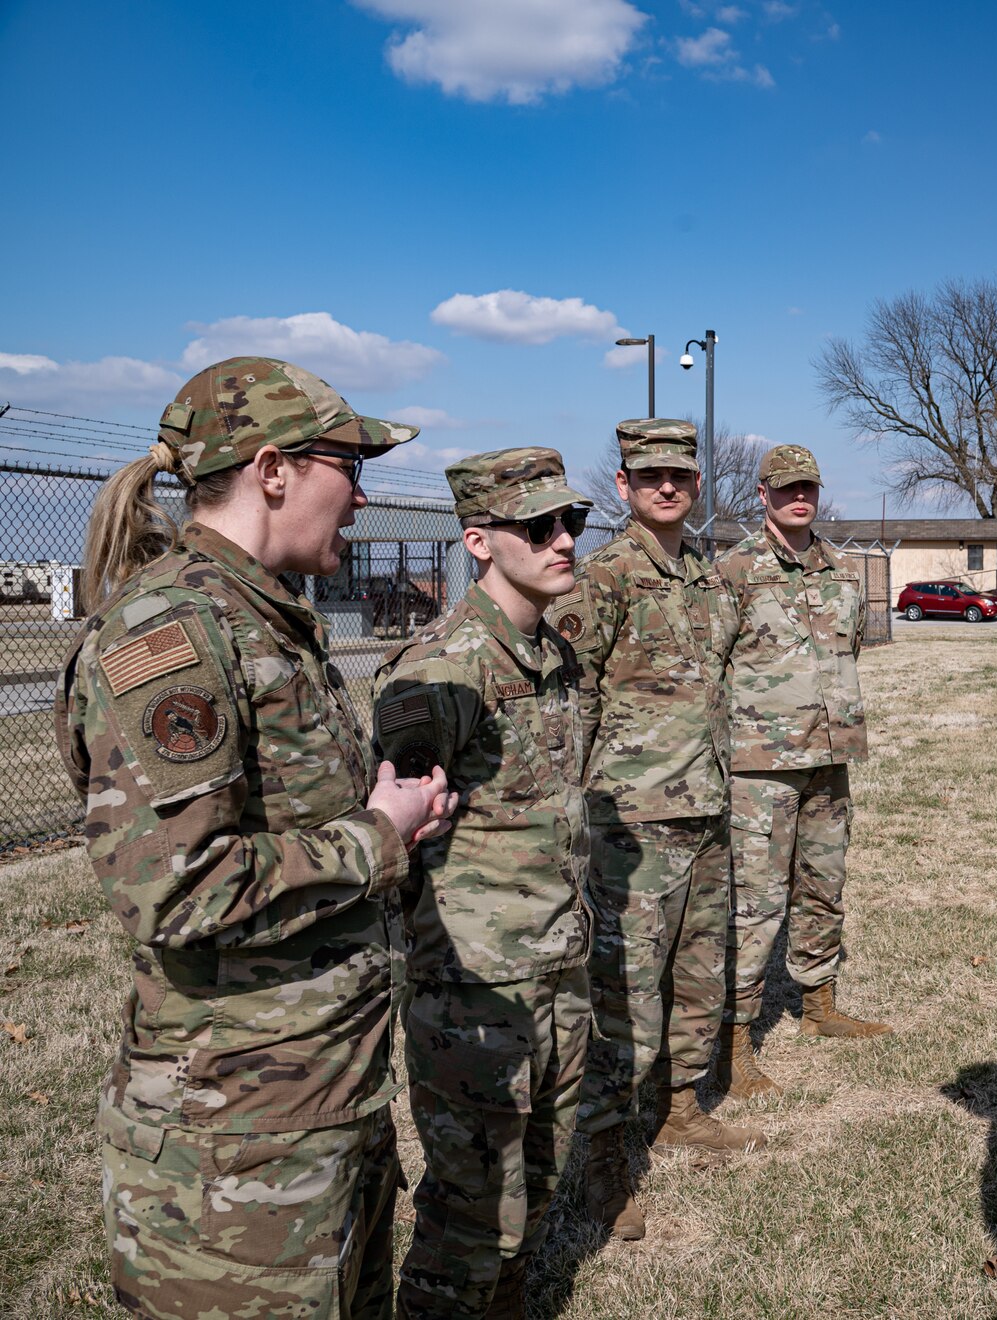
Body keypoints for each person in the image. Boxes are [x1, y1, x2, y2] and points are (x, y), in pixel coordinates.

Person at [57, 356, 455, 1319]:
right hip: (229, 1155)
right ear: (274, 469)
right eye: (349, 466)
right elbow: (174, 888)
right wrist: (375, 836)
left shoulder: (269, 619)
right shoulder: (176, 632)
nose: (362, 496)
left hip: (317, 1115)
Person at [372, 448, 596, 1319]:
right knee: (470, 1206)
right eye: (537, 527)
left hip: (556, 962)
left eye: (569, 522)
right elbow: (395, 831)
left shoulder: (555, 657)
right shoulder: (442, 671)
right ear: (478, 541)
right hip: (475, 984)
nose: (562, 541)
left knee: (538, 1178)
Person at [555, 419, 761, 1243]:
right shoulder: (603, 577)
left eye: (679, 474)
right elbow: (575, 700)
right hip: (631, 826)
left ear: (698, 482)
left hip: (706, 811)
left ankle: (678, 1109)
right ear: (624, 486)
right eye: (649, 477)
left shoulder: (707, 579)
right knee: (623, 993)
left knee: (698, 975)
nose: (665, 487)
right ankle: (601, 1153)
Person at [717, 443, 888, 1097]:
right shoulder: (732, 572)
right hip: (760, 766)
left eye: (808, 488)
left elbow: (848, 653)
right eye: (786, 488)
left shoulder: (844, 571)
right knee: (755, 904)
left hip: (830, 755)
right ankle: (734, 1044)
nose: (799, 498)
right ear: (762, 495)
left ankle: (819, 1008)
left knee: (824, 885)